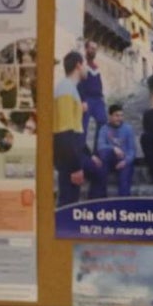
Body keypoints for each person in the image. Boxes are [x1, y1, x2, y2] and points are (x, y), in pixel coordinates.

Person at [54, 51, 103, 207]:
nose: (87, 70)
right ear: (78, 65)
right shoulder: (66, 89)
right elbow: (65, 132)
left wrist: (89, 155)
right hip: (68, 156)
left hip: (73, 152)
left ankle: (91, 210)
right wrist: (76, 168)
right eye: (85, 66)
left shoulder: (70, 89)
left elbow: (76, 130)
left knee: (97, 172)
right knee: (68, 202)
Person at [91, 103, 136, 198]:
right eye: (116, 115)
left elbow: (132, 151)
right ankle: (100, 201)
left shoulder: (128, 129)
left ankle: (123, 206)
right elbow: (100, 146)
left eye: (121, 116)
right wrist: (113, 148)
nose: (119, 118)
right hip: (109, 159)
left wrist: (125, 161)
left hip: (124, 160)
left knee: (124, 181)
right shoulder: (104, 128)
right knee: (100, 163)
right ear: (110, 116)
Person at [78, 39, 107, 145]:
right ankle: (80, 154)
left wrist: (102, 97)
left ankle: (97, 153)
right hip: (86, 99)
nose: (93, 51)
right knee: (83, 126)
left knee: (103, 122)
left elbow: (99, 83)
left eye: (95, 49)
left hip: (98, 99)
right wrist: (82, 100)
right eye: (91, 48)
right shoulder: (81, 64)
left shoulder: (96, 66)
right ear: (86, 49)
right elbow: (79, 83)